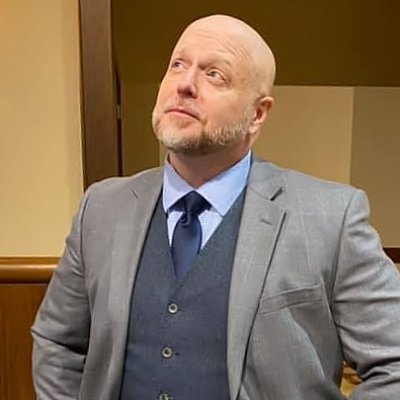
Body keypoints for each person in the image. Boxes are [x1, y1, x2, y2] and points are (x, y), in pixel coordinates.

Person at [32, 14, 400, 400]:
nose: (185, 84)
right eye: (177, 64)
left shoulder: (331, 218)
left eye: (214, 74)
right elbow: (57, 342)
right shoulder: (101, 208)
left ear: (257, 114)